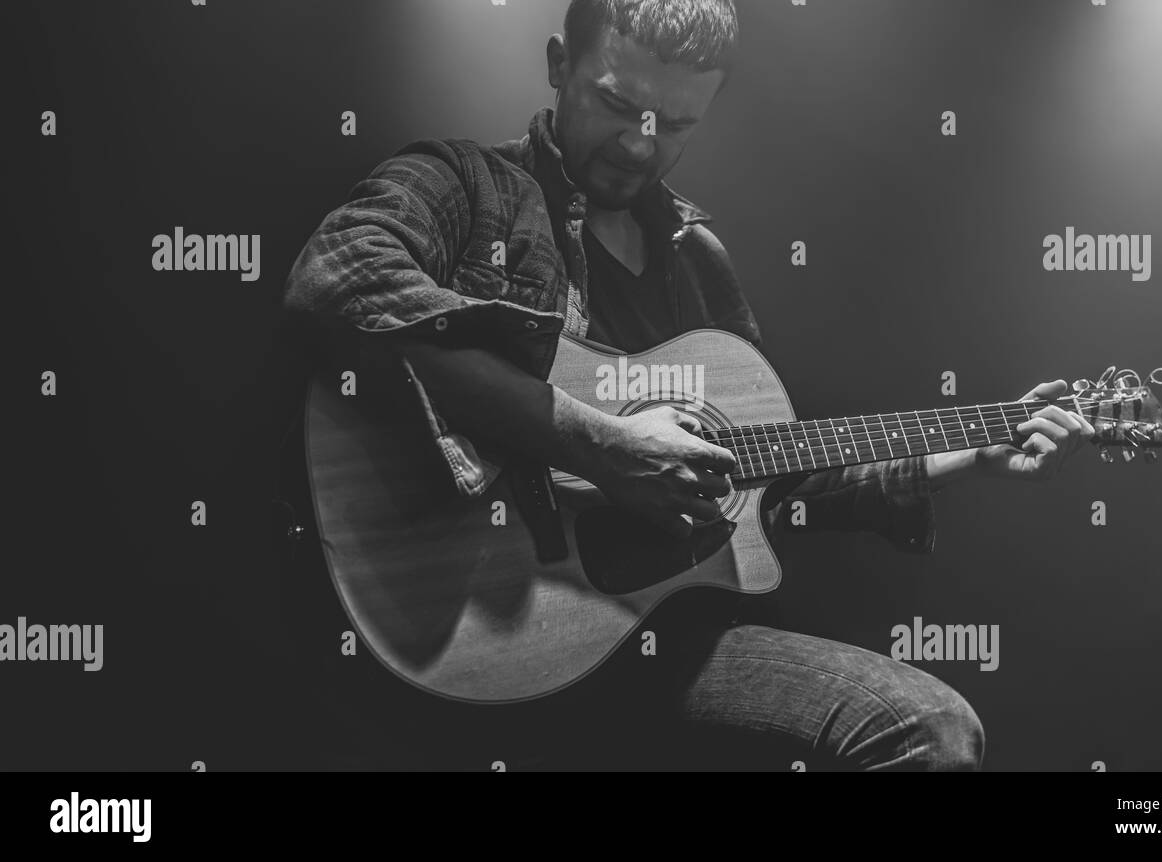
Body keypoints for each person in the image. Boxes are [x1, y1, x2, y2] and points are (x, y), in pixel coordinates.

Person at [280, 0, 1095, 771]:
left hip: (665, 638)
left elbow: (756, 474)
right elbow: (337, 273)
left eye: (675, 123)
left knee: (930, 727)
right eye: (618, 102)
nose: (641, 143)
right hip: (488, 617)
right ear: (560, 65)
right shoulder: (466, 186)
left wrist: (959, 454)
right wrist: (599, 443)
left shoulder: (698, 261)